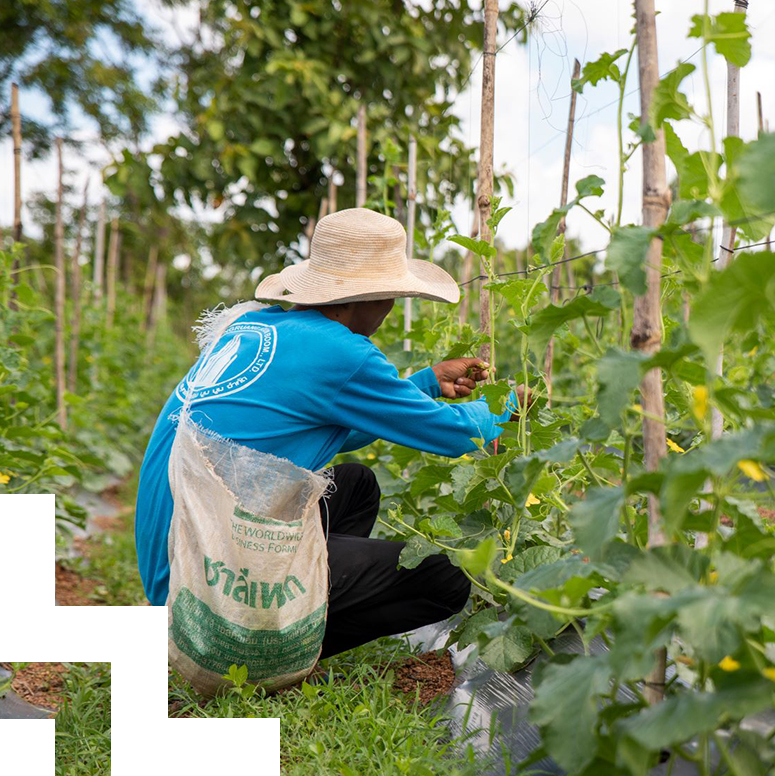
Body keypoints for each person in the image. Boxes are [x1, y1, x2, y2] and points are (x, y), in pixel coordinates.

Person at [135, 208, 533, 659]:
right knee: (446, 578)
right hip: (197, 586)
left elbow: (319, 432)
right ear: (360, 299)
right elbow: (456, 434)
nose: (389, 309)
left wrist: (425, 383)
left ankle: (290, 603)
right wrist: (509, 404)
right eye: (388, 296)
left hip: (174, 550)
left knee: (356, 486)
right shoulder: (342, 350)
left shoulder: (259, 324)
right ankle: (264, 648)